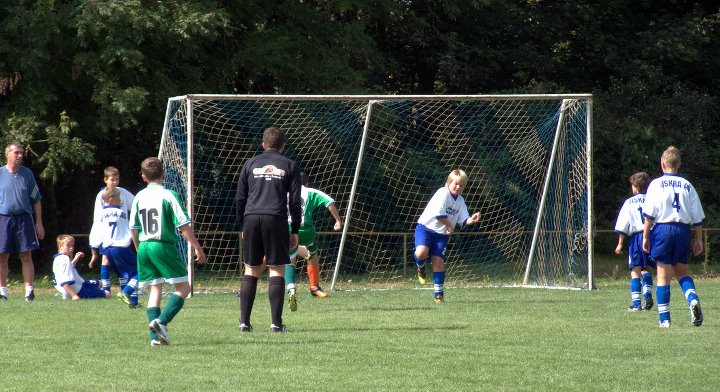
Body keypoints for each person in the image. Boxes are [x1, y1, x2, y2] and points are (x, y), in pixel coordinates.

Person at [130, 157, 206, 346]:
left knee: (155, 289)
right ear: (163, 174)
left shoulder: (139, 196)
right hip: (161, 245)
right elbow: (183, 226)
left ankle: (156, 339)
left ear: (143, 177)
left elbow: (133, 228)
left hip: (144, 246)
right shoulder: (168, 194)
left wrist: (139, 249)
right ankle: (161, 322)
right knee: (184, 288)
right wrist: (197, 247)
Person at [235, 126, 302, 333]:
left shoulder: (250, 163)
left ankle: (244, 323)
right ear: (283, 146)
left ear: (263, 144)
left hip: (252, 218)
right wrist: (295, 229)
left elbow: (240, 198)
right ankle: (275, 324)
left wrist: (242, 225)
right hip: (276, 218)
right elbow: (295, 202)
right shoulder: (290, 165)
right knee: (276, 268)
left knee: (251, 268)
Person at [642, 146, 705, 328]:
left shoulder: (655, 184)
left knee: (663, 276)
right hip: (683, 230)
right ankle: (692, 299)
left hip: (663, 229)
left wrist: (645, 237)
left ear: (662, 164)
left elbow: (649, 216)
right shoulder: (687, 185)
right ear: (679, 164)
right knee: (682, 273)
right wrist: (699, 239)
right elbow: (698, 217)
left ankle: (665, 320)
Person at [414, 169, 481, 303]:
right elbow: (438, 214)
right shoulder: (442, 193)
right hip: (425, 229)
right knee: (421, 253)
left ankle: (439, 295)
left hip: (441, 235)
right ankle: (420, 267)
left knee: (438, 262)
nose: (458, 187)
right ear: (448, 182)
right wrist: (449, 225)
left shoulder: (460, 201)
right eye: (455, 183)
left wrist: (471, 220)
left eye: (461, 185)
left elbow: (464, 219)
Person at [285, 170, 343, 311]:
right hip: (306, 231)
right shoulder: (310, 191)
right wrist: (338, 221)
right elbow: (329, 202)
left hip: (288, 229)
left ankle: (291, 290)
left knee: (289, 260)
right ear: (307, 182)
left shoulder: (282, 192)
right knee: (313, 254)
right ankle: (314, 287)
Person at [0, 142, 45, 301]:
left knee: (26, 255)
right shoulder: (0, 174)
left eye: (21, 153)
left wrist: (38, 222)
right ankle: (2, 292)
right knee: (2, 256)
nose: (20, 155)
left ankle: (29, 291)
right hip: (3, 218)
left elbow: (36, 200)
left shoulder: (27, 174)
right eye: (16, 153)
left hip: (24, 218)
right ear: (8, 154)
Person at [89, 166, 135, 292]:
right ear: (105, 180)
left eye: (116, 179)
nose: (114, 182)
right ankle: (106, 288)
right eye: (112, 179)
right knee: (105, 259)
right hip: (107, 235)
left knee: (121, 264)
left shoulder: (123, 192)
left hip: (121, 233)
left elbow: (135, 204)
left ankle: (124, 287)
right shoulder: (102, 195)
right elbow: (97, 217)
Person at [614, 172, 655, 311]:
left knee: (635, 270)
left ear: (635, 187)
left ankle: (637, 304)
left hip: (637, 237)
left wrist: (620, 243)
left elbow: (623, 224)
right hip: (652, 235)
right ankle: (648, 294)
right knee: (646, 268)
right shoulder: (652, 199)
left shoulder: (629, 202)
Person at [97, 187, 140, 308]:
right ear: (111, 199)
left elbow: (98, 232)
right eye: (119, 197)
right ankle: (126, 292)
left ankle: (133, 302)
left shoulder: (100, 215)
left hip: (108, 249)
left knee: (124, 274)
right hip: (121, 247)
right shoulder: (121, 213)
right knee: (140, 271)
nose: (120, 200)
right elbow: (130, 230)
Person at [52, 234, 111, 300]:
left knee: (100, 283)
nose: (71, 247)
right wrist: (74, 295)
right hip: (77, 290)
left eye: (72, 245)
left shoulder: (58, 258)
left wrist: (75, 259)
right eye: (68, 245)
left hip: (80, 284)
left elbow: (68, 269)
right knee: (107, 294)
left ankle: (63, 293)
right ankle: (67, 294)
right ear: (60, 246)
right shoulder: (64, 259)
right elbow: (65, 281)